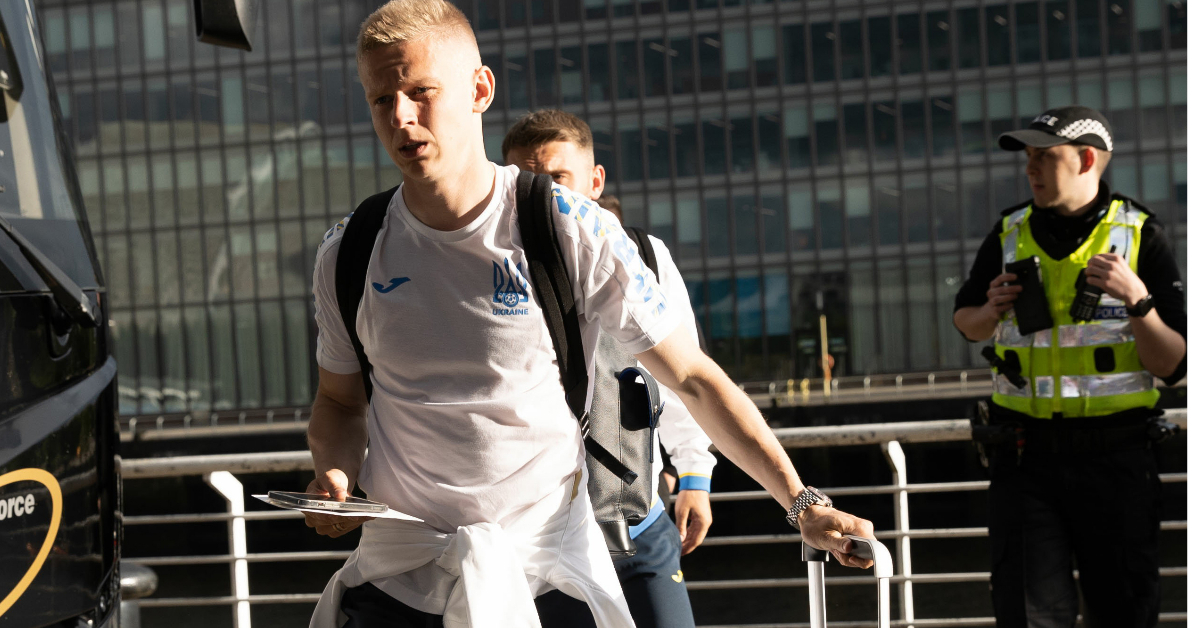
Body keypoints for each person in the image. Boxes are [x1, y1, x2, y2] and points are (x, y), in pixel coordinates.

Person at [303, 1, 877, 626]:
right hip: (399, 580)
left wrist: (802, 504)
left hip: (548, 576)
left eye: (421, 92)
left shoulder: (570, 230)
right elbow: (339, 401)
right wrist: (334, 472)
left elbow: (691, 377)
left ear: (479, 90)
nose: (402, 117)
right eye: (381, 99)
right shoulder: (351, 250)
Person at [953, 106, 1185, 628]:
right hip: (1024, 458)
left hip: (1118, 459)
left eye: (1043, 157)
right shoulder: (1008, 232)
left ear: (1085, 159)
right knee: (1029, 616)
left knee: (1124, 610)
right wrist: (989, 311)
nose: (1030, 169)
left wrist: (1138, 300)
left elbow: (1174, 367)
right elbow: (966, 322)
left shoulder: (1141, 233)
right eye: (1027, 158)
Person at [502, 109, 715, 628]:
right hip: (537, 547)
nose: (542, 197)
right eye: (526, 182)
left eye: (557, 179)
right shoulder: (490, 269)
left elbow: (685, 373)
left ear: (595, 182)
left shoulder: (646, 256)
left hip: (637, 525)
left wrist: (694, 475)